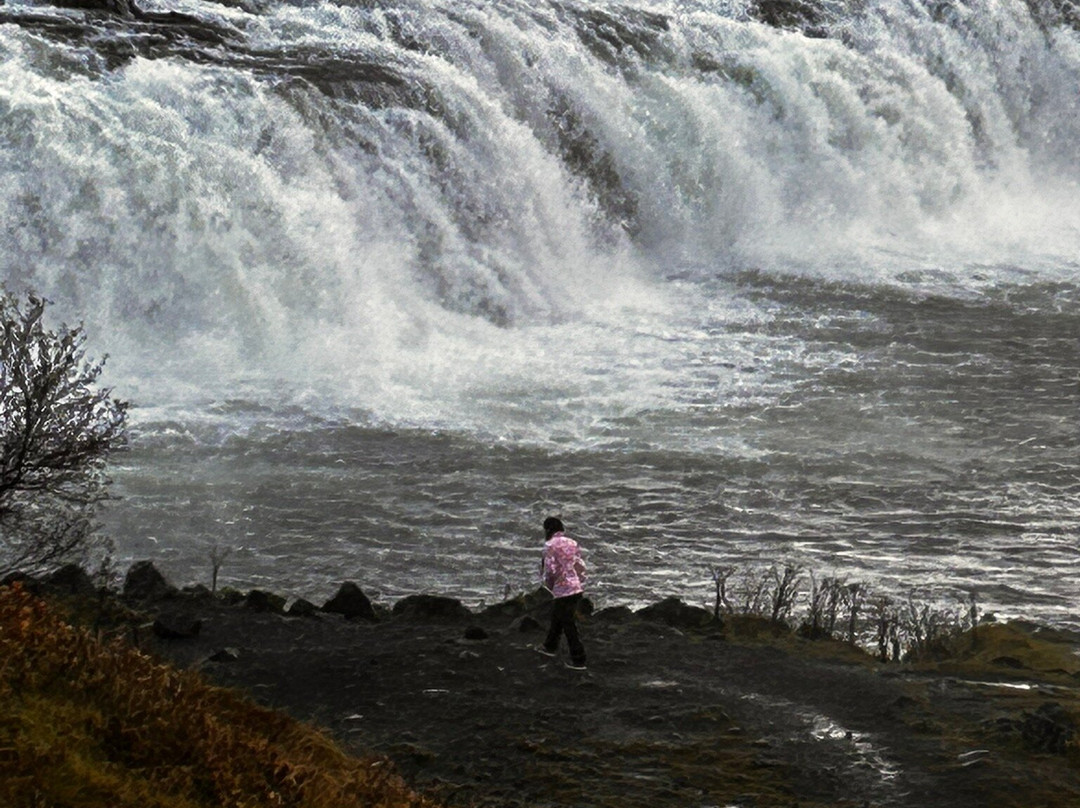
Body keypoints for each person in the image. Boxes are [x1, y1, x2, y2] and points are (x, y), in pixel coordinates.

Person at [537, 516, 587, 670]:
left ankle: (578, 659)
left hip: (562, 589)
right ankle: (549, 646)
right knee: (558, 617)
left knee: (567, 623)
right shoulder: (572, 542)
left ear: (548, 530)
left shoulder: (549, 545)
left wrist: (550, 586)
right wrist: (580, 582)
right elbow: (580, 565)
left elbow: (550, 570)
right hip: (576, 587)